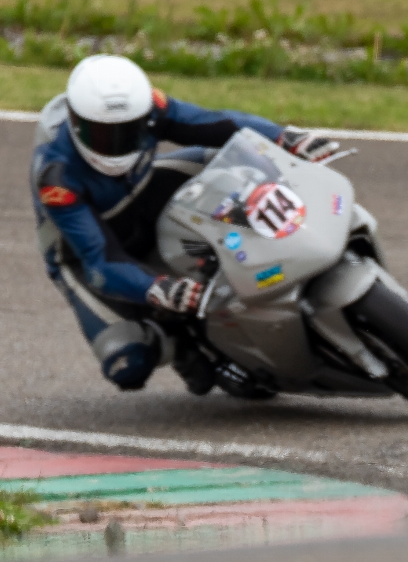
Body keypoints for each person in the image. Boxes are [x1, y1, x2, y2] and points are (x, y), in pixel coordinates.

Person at [31, 54, 339, 394]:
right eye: (104, 135)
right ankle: (178, 343)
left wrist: (283, 137)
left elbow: (215, 123)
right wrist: (157, 289)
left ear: (145, 116)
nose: (118, 144)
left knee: (239, 163)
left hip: (144, 192)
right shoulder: (56, 175)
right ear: (76, 123)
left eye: (130, 131)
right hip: (85, 250)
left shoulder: (151, 106)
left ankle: (297, 234)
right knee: (127, 363)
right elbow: (101, 262)